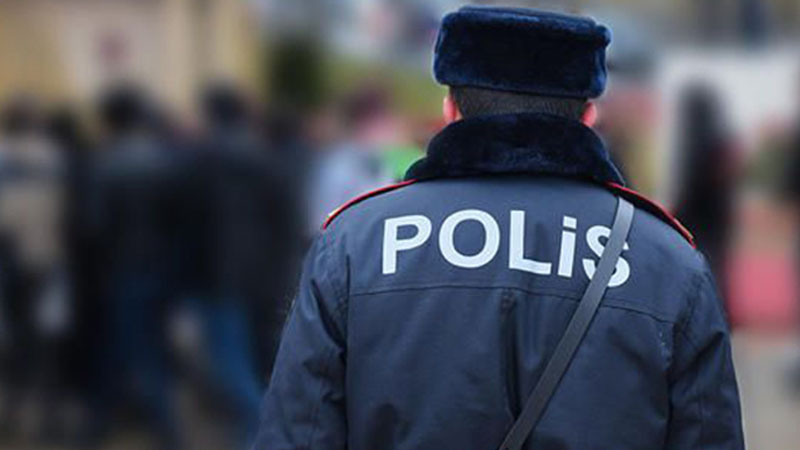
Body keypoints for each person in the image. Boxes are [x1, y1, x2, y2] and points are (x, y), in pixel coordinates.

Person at [255, 7, 744, 450]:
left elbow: (298, 433)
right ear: (589, 116)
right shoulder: (669, 263)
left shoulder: (353, 244)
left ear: (450, 110)